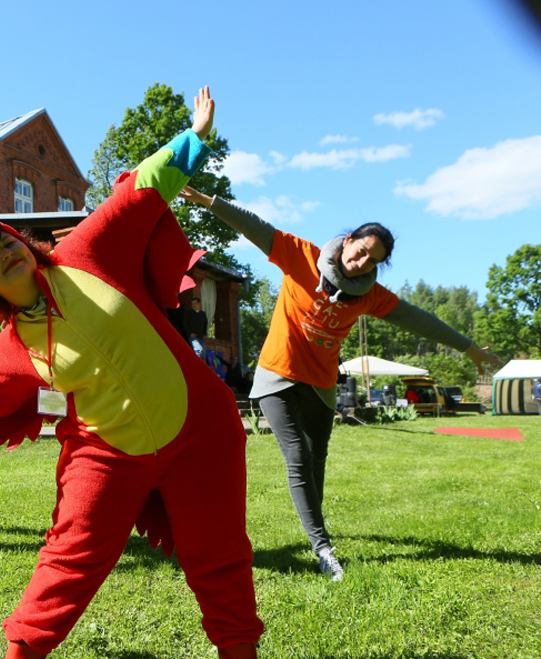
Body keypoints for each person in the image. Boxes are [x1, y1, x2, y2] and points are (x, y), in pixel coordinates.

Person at [0, 87, 263, 659]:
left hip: (201, 431)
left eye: (6, 239)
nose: (3, 252)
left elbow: (142, 190)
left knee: (220, 557)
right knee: (69, 557)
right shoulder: (9, 349)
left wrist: (194, 137)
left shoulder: (89, 250)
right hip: (107, 453)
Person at [179, 185, 500, 582]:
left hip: (321, 383)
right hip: (278, 374)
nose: (362, 263)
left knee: (317, 459)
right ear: (348, 241)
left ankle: (314, 524)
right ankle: (322, 547)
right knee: (298, 456)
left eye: (372, 261)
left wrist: (468, 348)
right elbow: (256, 227)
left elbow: (419, 319)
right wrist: (210, 202)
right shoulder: (301, 255)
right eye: (361, 251)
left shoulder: (369, 296)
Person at [184, 297, 209, 361]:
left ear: (199, 304)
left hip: (201, 336)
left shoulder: (202, 314)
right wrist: (190, 333)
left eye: (195, 303)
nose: (193, 305)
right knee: (198, 350)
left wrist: (204, 334)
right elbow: (185, 323)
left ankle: (202, 365)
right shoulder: (188, 313)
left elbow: (205, 324)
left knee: (203, 352)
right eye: (192, 303)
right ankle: (197, 363)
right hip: (193, 337)